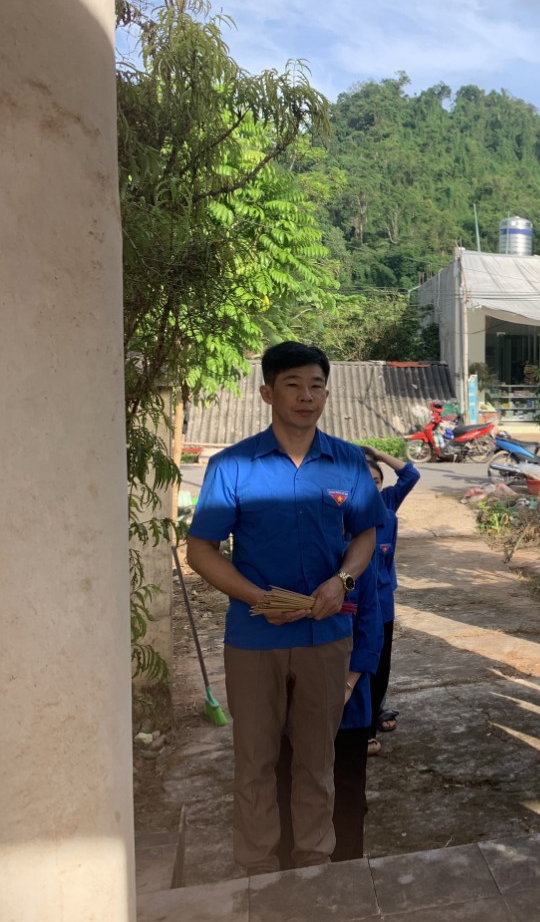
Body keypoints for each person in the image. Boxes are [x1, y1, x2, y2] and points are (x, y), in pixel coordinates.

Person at [186, 341, 386, 875]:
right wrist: (259, 599)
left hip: (326, 636)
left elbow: (365, 534)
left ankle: (314, 863)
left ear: (326, 394)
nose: (306, 396)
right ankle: (256, 868)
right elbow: (201, 550)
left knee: (318, 760)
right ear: (267, 393)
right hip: (256, 637)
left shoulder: (347, 461)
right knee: (255, 760)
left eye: (316, 385)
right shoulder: (233, 466)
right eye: (293, 385)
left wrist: (342, 581)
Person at [275, 563, 382, 866]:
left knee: (344, 801)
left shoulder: (357, 558)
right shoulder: (281, 554)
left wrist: (346, 686)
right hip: (289, 707)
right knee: (289, 795)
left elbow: (370, 624)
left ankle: (346, 878)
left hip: (346, 709)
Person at [361, 446, 421, 754]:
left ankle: (371, 721)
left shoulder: (387, 505)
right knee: (355, 664)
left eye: (376, 481)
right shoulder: (342, 511)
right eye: (365, 480)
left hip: (382, 601)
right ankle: (358, 724)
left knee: (380, 663)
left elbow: (411, 474)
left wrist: (378, 454)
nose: (372, 486)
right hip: (351, 603)